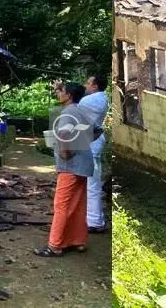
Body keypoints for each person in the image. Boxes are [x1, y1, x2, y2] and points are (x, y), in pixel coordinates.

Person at [34, 82, 94, 257]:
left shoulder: (67, 112)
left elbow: (64, 135)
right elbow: (97, 131)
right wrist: (81, 144)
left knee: (62, 205)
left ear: (69, 96)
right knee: (78, 204)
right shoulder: (81, 110)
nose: (58, 93)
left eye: (61, 91)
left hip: (71, 166)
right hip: (84, 163)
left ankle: (55, 245)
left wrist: (66, 151)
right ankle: (78, 241)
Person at [80, 74, 109, 233]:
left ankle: (94, 221)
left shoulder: (89, 101)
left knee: (91, 184)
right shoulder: (103, 99)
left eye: (89, 83)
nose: (86, 85)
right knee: (93, 183)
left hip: (90, 143)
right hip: (94, 142)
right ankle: (93, 219)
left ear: (95, 86)